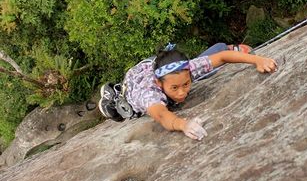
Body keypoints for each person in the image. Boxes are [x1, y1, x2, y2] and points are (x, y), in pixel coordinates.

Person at [98, 43, 277, 141]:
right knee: (120, 112)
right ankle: (112, 95)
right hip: (134, 81)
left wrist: (257, 60)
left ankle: (227, 45)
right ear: (158, 84)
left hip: (155, 65)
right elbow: (161, 115)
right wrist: (183, 124)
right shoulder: (149, 93)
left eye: (186, 84)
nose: (182, 92)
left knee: (215, 60)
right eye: (174, 88)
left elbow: (222, 57)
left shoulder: (187, 69)